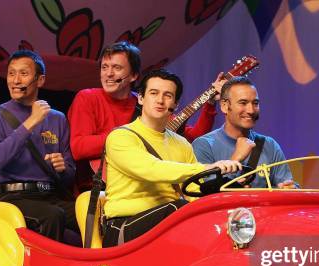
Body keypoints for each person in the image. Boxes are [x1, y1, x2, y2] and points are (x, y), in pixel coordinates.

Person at [102, 69, 241, 247]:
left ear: (175, 104)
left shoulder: (182, 143)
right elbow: (151, 169)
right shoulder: (121, 136)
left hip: (169, 222)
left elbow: (193, 191)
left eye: (167, 95)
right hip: (124, 227)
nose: (160, 100)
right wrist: (207, 167)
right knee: (178, 209)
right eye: (153, 93)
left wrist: (219, 213)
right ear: (141, 98)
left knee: (223, 217)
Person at [68, 41, 224, 186]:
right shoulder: (87, 97)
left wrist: (210, 103)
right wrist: (129, 136)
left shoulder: (149, 100)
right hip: (97, 186)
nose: (108, 74)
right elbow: (79, 148)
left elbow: (193, 136)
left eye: (117, 68)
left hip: (146, 183)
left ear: (134, 75)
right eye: (104, 67)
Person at [0, 50, 78, 242]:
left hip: (51, 194)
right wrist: (30, 122)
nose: (15, 80)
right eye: (11, 73)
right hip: (14, 197)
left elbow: (69, 175)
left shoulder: (57, 118)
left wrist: (62, 168)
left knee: (91, 213)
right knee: (52, 215)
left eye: (23, 74)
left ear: (40, 80)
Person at [192, 77, 295, 188]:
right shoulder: (204, 145)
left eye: (255, 103)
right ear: (224, 106)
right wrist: (235, 159)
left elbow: (289, 185)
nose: (251, 110)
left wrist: (288, 188)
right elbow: (205, 195)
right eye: (243, 103)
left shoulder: (269, 145)